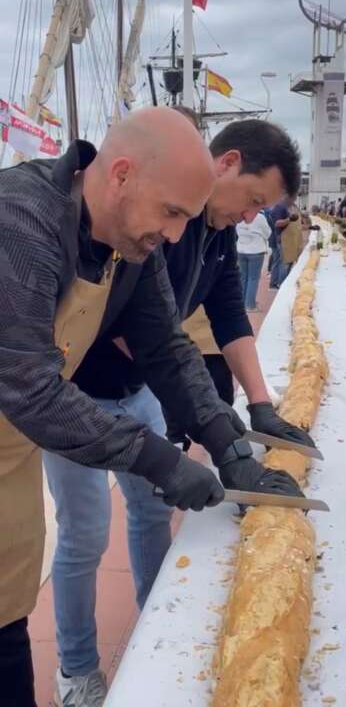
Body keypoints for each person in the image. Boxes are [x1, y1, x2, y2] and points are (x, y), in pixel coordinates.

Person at [0, 108, 303, 707]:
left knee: (8, 612)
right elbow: (30, 385)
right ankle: (75, 672)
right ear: (120, 174)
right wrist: (155, 457)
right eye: (170, 214)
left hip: (12, 448)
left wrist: (228, 444)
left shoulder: (133, 247)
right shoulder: (20, 222)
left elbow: (165, 344)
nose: (173, 235)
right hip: (28, 407)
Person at [237, 210, 271, 311]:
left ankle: (243, 302)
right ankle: (250, 304)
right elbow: (268, 233)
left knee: (243, 277)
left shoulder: (239, 214)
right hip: (255, 250)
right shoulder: (259, 217)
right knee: (253, 278)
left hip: (241, 249)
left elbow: (236, 231)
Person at [269, 196, 292, 288]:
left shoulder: (277, 206)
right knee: (284, 261)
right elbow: (277, 223)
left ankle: (273, 283)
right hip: (280, 238)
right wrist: (290, 219)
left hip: (276, 237)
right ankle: (282, 284)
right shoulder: (281, 207)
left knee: (277, 260)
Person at [279, 205, 303, 282]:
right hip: (286, 241)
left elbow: (299, 225)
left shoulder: (295, 208)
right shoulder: (283, 208)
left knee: (290, 263)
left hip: (294, 240)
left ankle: (285, 281)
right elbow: (279, 224)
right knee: (285, 264)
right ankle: (282, 283)